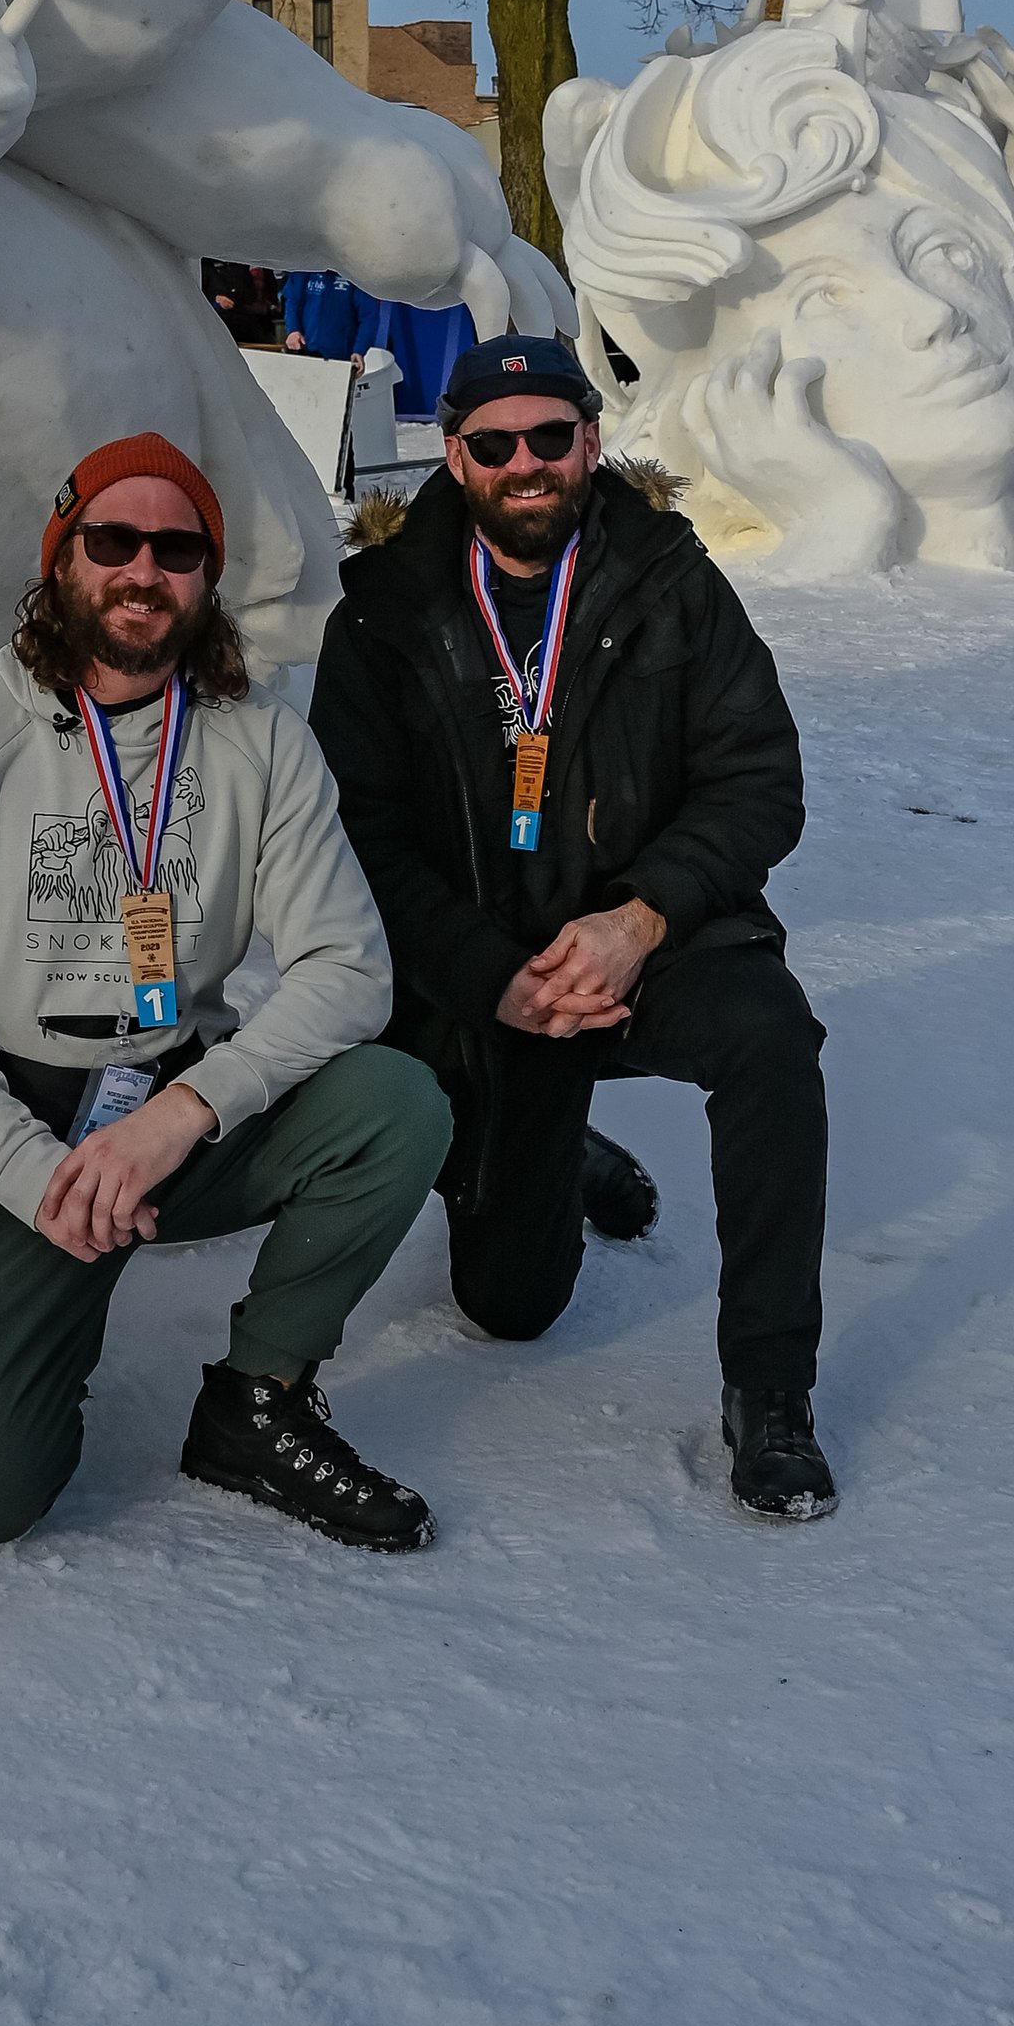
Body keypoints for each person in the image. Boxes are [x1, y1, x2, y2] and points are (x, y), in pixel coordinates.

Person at [0, 433, 451, 1553]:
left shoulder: (262, 739)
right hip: (8, 1127)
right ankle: (26, 1306)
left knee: (396, 1106)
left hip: (169, 1105)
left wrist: (187, 1113)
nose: (144, 570)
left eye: (177, 547)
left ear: (206, 576)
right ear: (62, 558)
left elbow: (348, 967)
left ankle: (257, 1398)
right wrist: (35, 1176)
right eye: (112, 540)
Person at [309, 334, 836, 1520]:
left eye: (551, 435)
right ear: (452, 458)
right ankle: (554, 1145)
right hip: (488, 975)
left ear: (591, 443)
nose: (525, 463)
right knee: (509, 1306)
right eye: (493, 444)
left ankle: (770, 1389)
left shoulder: (671, 581)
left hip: (648, 942)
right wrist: (489, 977)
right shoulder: (383, 617)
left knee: (770, 1043)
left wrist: (642, 919)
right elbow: (363, 835)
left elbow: (759, 780)